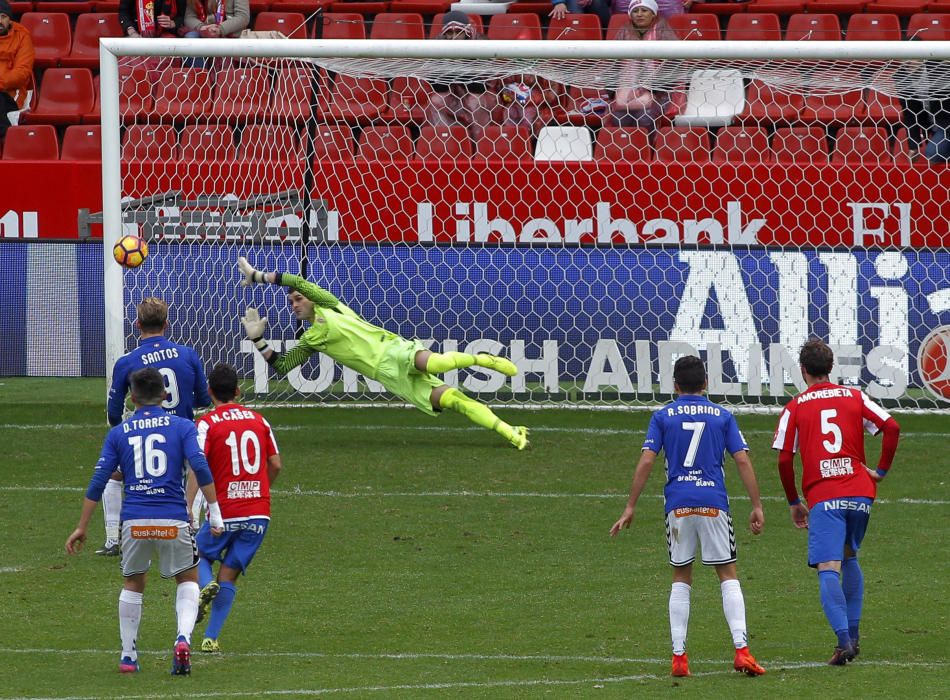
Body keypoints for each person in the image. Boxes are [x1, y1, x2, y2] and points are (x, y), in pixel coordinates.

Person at [236, 257, 530, 450]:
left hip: (394, 351)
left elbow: (297, 282)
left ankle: (484, 360)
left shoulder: (330, 306)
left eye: (298, 300)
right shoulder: (311, 339)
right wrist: (258, 339)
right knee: (456, 401)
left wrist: (257, 275)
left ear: (310, 300)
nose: (295, 303)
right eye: (291, 303)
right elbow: (284, 366)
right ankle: (510, 432)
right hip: (391, 377)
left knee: (438, 362)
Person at [610, 355, 766, 678]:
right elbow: (743, 461)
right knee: (727, 573)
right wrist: (757, 504)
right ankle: (742, 650)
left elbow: (647, 461)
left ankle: (679, 658)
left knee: (681, 576)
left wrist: (630, 506)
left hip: (678, 505)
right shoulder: (722, 416)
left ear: (675, 386)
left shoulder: (662, 416)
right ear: (706, 384)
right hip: (713, 502)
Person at [65, 367, 225, 675]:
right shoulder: (182, 426)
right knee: (188, 579)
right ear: (165, 396)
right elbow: (201, 467)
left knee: (133, 582)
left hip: (134, 522)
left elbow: (99, 481)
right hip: (174, 519)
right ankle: (182, 639)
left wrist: (82, 526)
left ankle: (128, 656)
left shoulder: (119, 433)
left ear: (132, 397)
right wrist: (214, 511)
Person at [772, 339, 900, 665]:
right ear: (831, 368)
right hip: (860, 492)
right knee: (850, 556)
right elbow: (892, 425)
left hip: (825, 495)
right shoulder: (854, 397)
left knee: (829, 567)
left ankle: (843, 642)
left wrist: (793, 501)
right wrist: (881, 470)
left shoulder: (796, 407)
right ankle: (853, 636)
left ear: (803, 370)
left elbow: (785, 460)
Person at [99, 297, 212, 556]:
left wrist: (123, 435)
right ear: (167, 323)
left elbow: (113, 412)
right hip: (182, 436)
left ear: (137, 324)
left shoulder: (127, 362)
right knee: (199, 469)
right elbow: (205, 400)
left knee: (113, 476)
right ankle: (190, 523)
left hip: (141, 437)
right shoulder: (188, 354)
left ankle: (112, 539)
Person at [185, 363, 282, 653]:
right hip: (259, 513)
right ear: (238, 391)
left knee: (197, 555)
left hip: (227, 509)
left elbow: (197, 464)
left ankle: (204, 586)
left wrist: (188, 505)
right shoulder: (259, 420)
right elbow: (276, 464)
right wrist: (262, 489)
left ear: (209, 392)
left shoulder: (207, 423)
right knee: (229, 574)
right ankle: (211, 638)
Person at [611, 0, 684, 131]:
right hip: (627, 91)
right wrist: (612, 91)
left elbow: (674, 65)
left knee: (645, 117)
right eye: (635, 11)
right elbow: (613, 63)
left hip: (661, 92)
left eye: (644, 10)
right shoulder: (623, 32)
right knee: (618, 117)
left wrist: (653, 89)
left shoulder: (664, 32)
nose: (639, 14)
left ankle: (647, 149)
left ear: (653, 13)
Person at [428, 12, 494, 144]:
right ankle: (448, 143)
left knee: (474, 101)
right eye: (450, 33)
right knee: (436, 100)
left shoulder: (482, 43)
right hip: (453, 93)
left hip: (483, 95)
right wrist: (460, 73)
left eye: (458, 32)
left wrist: (453, 72)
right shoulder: (436, 45)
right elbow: (436, 84)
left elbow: (481, 85)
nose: (454, 37)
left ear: (466, 31)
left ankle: (480, 144)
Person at [0, 0, 34, 141]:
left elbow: (22, 72)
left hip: (10, 92)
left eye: (3, 16)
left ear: (10, 19)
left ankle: (9, 141)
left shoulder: (22, 36)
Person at [184, 0, 250, 39]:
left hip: (229, 33)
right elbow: (189, 18)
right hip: (204, 31)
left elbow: (243, 17)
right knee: (190, 38)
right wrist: (201, 27)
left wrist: (220, 29)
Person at [119, 0, 185, 38]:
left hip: (165, 33)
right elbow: (124, 12)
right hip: (137, 33)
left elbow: (181, 17)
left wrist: (173, 23)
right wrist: (131, 31)